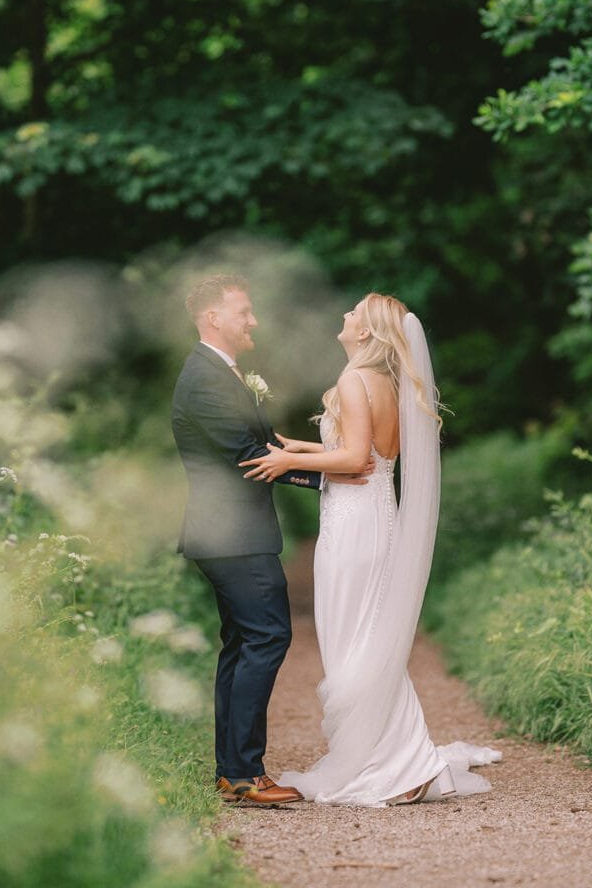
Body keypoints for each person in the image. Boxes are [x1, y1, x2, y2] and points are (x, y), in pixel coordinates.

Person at [241, 293, 501, 806]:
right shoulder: (386, 384)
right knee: (367, 638)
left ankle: (398, 765)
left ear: (365, 333)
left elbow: (356, 457)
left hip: (353, 521)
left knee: (352, 642)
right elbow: (374, 456)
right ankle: (401, 759)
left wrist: (281, 465)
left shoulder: (353, 380)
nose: (345, 315)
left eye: (354, 313)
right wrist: (303, 447)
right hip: (377, 513)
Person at [171, 274, 372, 808]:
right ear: (214, 317)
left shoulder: (221, 373)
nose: (252, 320)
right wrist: (328, 477)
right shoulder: (205, 378)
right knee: (266, 638)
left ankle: (233, 771)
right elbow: (247, 454)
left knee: (244, 644)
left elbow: (265, 443)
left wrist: (312, 458)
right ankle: (242, 772)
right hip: (230, 534)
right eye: (243, 312)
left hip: (232, 533)